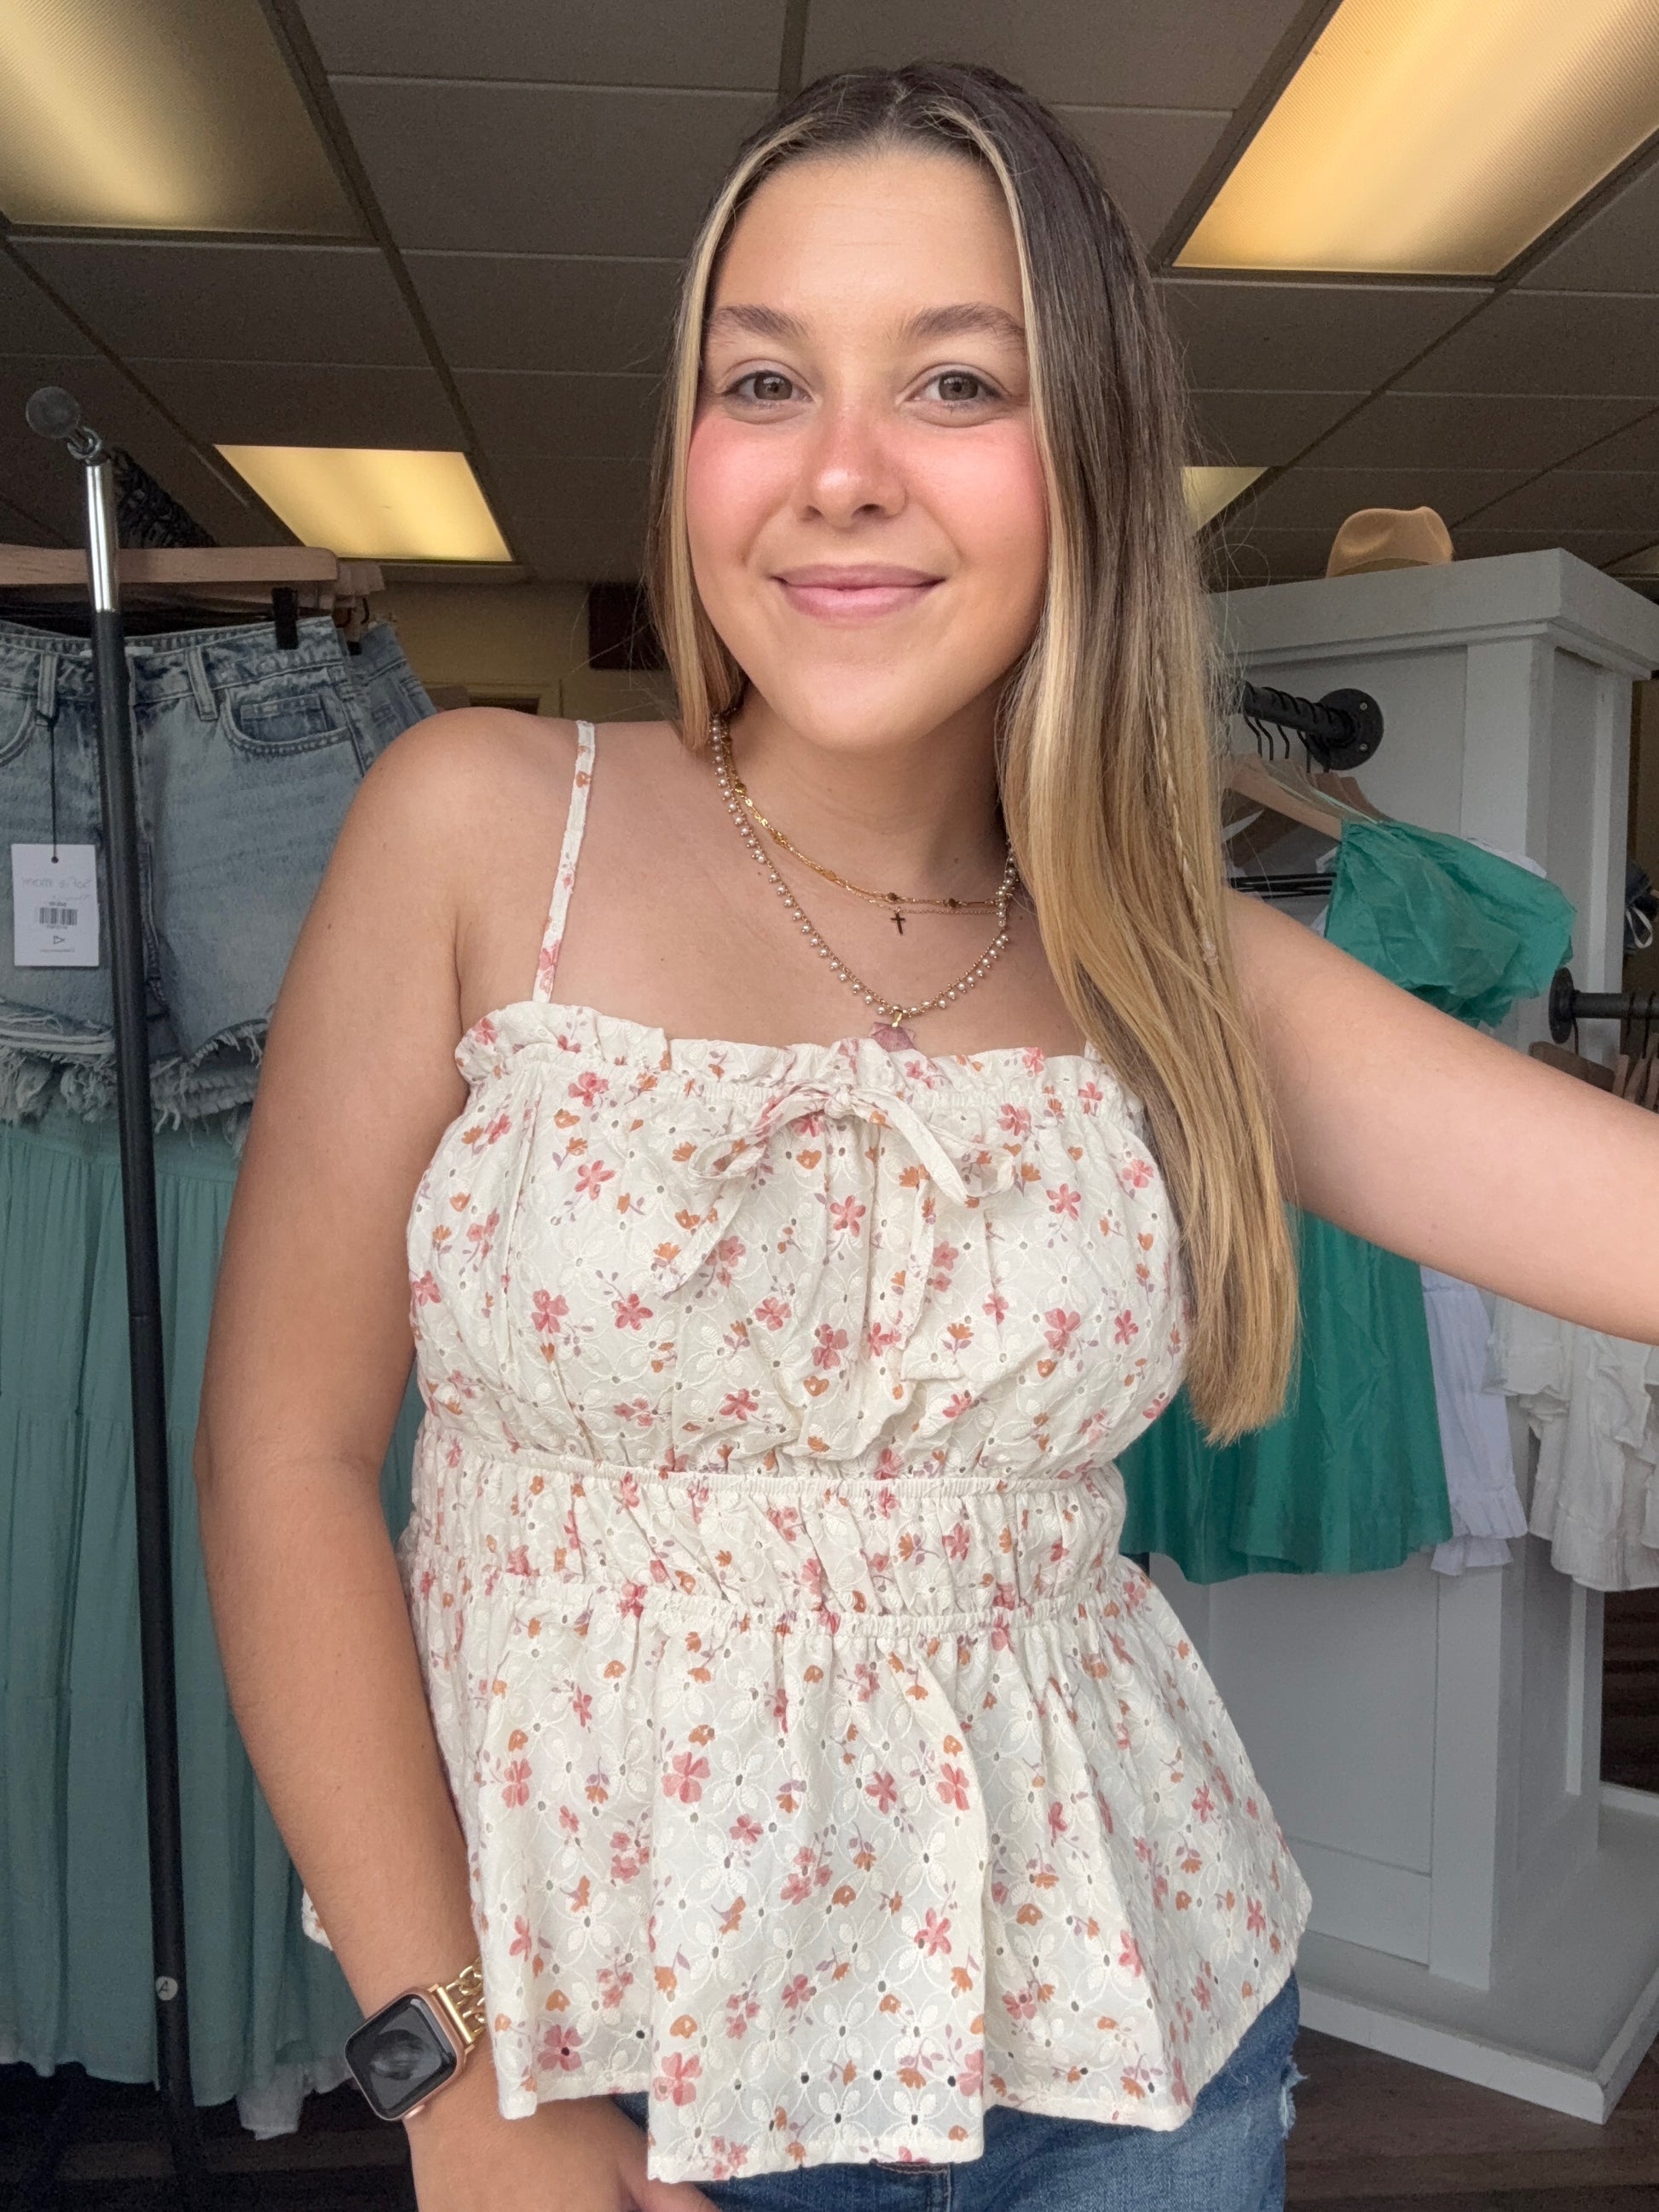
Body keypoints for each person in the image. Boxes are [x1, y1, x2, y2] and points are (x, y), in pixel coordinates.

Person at [194, 61, 1659, 2212]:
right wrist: (455, 2066)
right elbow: (285, 1456)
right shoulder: (486, 824)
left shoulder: (1173, 960)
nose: (840, 472)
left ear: (1089, 459)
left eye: (955, 382)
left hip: (1127, 2052)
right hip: (623, 2066)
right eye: (763, 379)